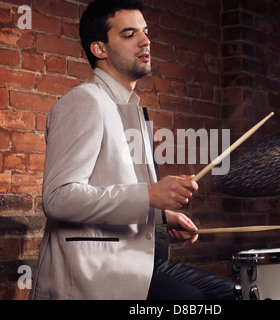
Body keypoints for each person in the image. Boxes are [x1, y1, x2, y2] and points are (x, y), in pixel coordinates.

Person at [30, 0, 236, 300]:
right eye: (129, 34)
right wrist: (149, 196)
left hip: (137, 263)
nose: (145, 40)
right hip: (98, 271)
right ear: (99, 49)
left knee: (232, 292)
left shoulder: (127, 109)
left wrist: (160, 216)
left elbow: (110, 186)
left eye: (145, 31)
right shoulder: (84, 100)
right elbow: (58, 198)